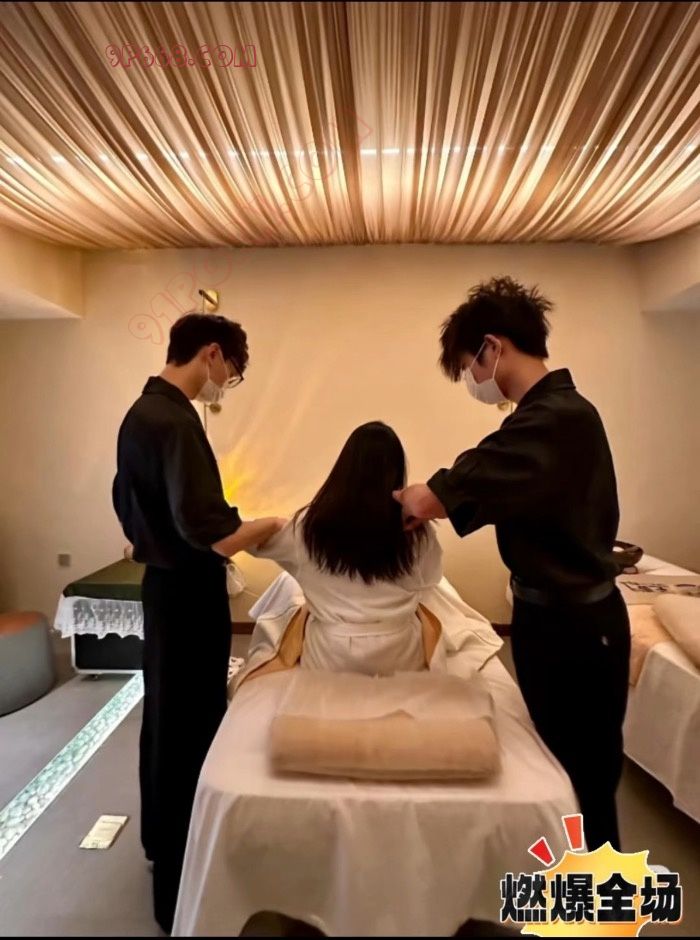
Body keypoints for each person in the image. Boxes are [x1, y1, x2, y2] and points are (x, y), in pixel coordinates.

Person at [393, 276, 630, 852]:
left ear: (492, 348)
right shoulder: (544, 417)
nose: (472, 381)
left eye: (468, 367)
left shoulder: (557, 418)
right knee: (562, 767)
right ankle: (574, 882)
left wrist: (410, 499)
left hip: (576, 627)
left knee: (583, 777)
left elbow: (457, 484)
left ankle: (598, 895)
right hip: (551, 617)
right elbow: (486, 482)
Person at [112, 312, 282, 933]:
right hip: (187, 595)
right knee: (190, 726)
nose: (225, 384)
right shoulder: (175, 420)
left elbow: (129, 508)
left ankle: (163, 844)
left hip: (162, 589)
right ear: (211, 353)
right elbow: (208, 529)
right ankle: (183, 877)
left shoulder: (140, 414)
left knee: (165, 721)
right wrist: (270, 527)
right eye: (230, 371)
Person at [246, 421, 446, 675]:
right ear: (396, 472)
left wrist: (274, 524)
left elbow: (252, 544)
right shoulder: (416, 529)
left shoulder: (308, 526)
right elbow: (431, 579)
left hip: (331, 655)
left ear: (344, 469)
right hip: (399, 654)